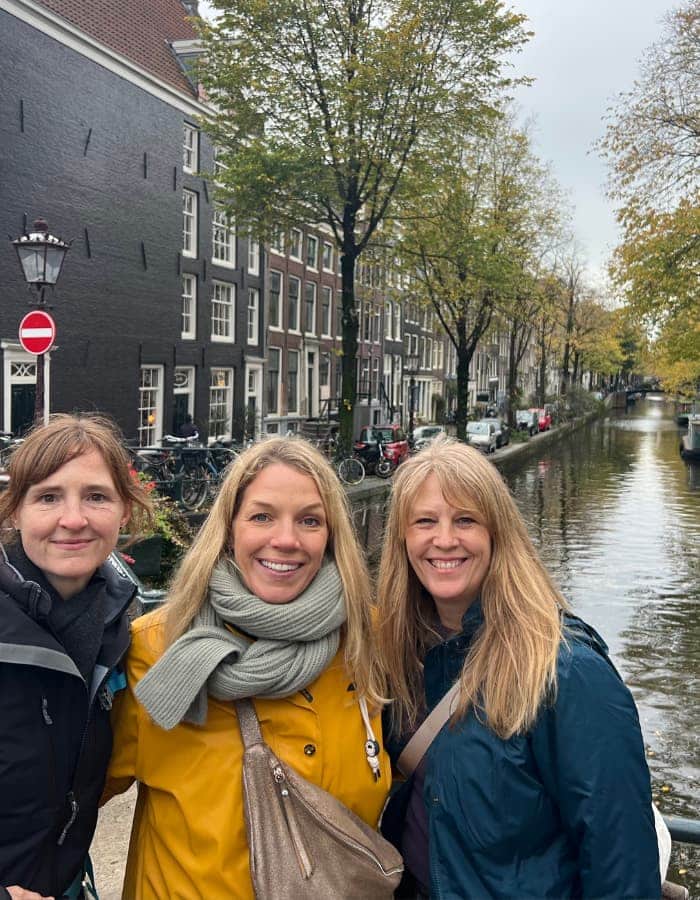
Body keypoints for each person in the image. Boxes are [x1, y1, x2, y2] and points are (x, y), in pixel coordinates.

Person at [375, 436, 661, 899]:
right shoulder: (401, 656)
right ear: (402, 540)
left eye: (465, 520)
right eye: (425, 521)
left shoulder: (566, 672)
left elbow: (620, 863)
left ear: (496, 533)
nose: (444, 539)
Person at [104, 436, 389, 898]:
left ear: (331, 535)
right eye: (262, 516)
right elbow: (60, 798)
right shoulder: (153, 650)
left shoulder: (367, 642)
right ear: (229, 528)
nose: (286, 540)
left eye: (310, 520)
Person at [0, 414, 153, 900]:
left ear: (124, 511)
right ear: (14, 512)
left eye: (96, 496)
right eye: (48, 497)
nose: (73, 519)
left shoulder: (123, 632)